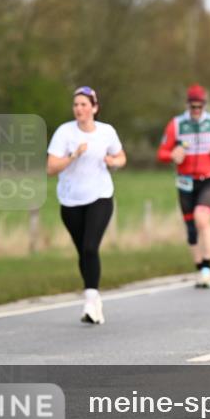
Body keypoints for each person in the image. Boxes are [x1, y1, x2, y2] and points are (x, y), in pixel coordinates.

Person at [46, 87, 126, 324]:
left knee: (91, 247)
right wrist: (73, 156)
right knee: (83, 251)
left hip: (100, 195)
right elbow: (50, 168)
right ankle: (93, 297)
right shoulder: (64, 133)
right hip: (70, 199)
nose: (79, 109)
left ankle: (91, 299)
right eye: (76, 105)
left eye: (83, 104)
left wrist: (113, 161)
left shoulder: (106, 132)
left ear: (94, 108)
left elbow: (121, 157)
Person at [157, 84, 210, 287]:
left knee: (202, 218)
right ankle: (200, 267)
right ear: (187, 105)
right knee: (191, 227)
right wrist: (172, 155)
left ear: (204, 105)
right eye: (193, 107)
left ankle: (207, 268)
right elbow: (162, 153)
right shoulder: (176, 124)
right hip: (185, 180)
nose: (196, 111)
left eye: (199, 107)